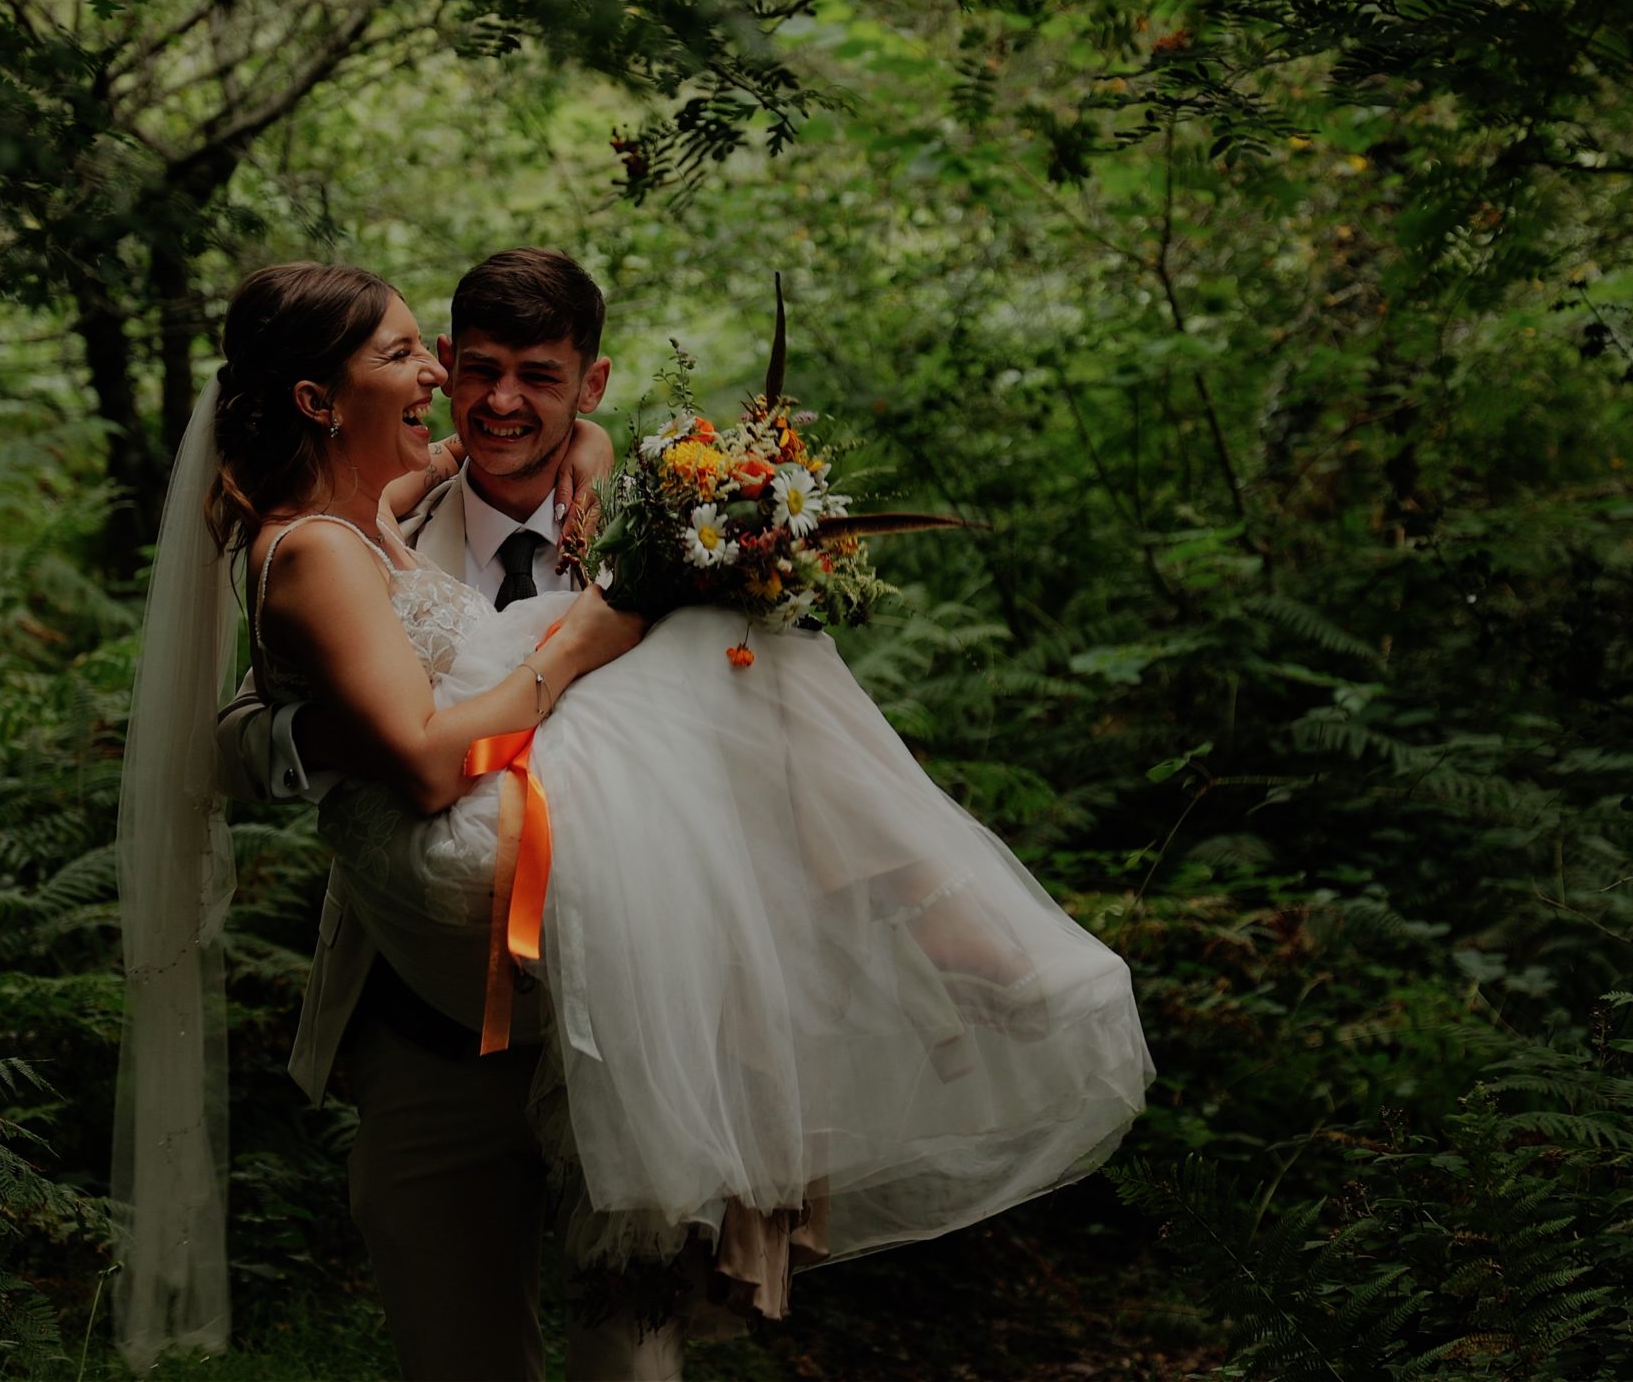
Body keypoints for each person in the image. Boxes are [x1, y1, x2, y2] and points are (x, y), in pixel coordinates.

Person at [119, 255, 1153, 1381]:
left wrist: (607, 517)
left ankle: (936, 940)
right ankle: (945, 938)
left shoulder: (638, 522)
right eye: (464, 368)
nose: (492, 399)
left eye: (539, 379)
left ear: (591, 387)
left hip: (634, 1015)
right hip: (432, 1029)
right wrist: (338, 739)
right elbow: (236, 728)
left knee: (634, 1359)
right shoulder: (377, 512)